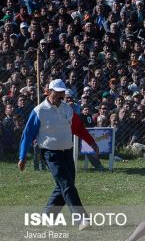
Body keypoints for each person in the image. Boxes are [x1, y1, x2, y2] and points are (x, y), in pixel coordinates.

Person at [18, 79, 100, 229]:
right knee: (67, 185)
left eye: (62, 92)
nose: (61, 95)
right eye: (57, 92)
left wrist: (92, 143)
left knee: (63, 185)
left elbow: (78, 128)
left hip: (67, 152)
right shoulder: (39, 111)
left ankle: (47, 216)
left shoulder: (67, 109)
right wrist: (22, 156)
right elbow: (27, 134)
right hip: (51, 154)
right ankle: (81, 219)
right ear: (49, 92)